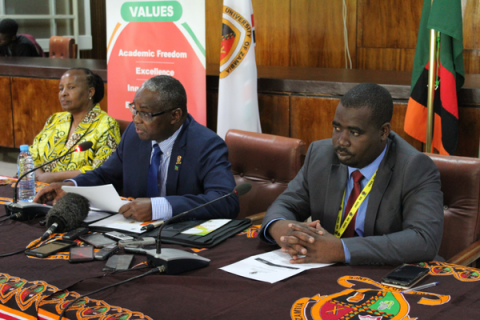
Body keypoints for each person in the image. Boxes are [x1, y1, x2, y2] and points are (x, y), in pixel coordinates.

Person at [259, 83, 444, 266]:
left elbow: (423, 239)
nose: (341, 141)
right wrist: (280, 227)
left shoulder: (414, 167)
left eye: (354, 132)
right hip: (325, 268)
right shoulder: (321, 155)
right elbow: (287, 203)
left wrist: (341, 249)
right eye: (337, 128)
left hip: (384, 273)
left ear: (383, 132)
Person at [34, 75, 239, 222]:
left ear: (175, 116)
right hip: (130, 230)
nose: (136, 120)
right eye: (134, 110)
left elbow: (225, 201)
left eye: (145, 114)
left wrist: (161, 207)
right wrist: (70, 185)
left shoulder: (206, 145)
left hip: (179, 234)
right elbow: (106, 174)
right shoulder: (134, 134)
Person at [29, 68, 121, 183]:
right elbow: (31, 155)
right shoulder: (55, 119)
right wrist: (39, 176)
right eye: (61, 89)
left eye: (71, 87)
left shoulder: (106, 125)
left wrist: (52, 177)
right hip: (40, 186)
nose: (64, 93)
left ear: (90, 92)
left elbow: (102, 170)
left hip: (79, 190)